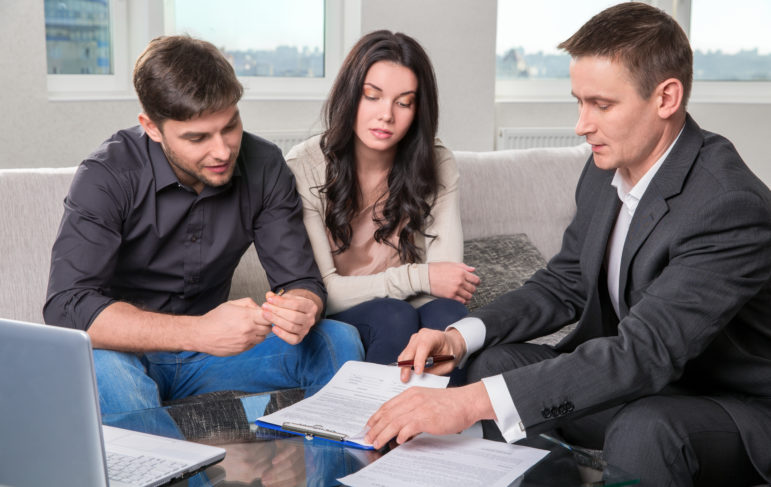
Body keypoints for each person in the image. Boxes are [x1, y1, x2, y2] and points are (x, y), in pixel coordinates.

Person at [364, 4, 771, 486]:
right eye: (579, 102)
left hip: (731, 407)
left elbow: (644, 353)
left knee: (647, 430)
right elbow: (565, 283)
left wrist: (462, 404)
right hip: (650, 386)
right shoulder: (606, 170)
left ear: (666, 97)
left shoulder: (728, 206)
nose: (581, 125)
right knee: (491, 362)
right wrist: (459, 335)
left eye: (601, 104)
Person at [43, 35, 363, 415]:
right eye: (197, 137)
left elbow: (301, 281)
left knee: (336, 340)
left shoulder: (264, 164)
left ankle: (336, 473)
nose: (222, 151)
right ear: (152, 127)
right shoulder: (108, 174)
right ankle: (191, 477)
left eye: (230, 126)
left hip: (214, 358)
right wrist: (197, 332)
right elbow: (66, 306)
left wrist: (301, 307)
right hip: (124, 354)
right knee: (108, 374)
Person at [285, 30, 480, 365]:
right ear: (350, 96)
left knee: (450, 317)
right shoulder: (305, 165)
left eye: (403, 102)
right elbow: (323, 293)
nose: (386, 115)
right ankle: (378, 417)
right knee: (392, 316)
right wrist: (419, 276)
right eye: (372, 96)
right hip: (341, 314)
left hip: (406, 305)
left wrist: (432, 281)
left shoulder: (438, 162)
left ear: (419, 110)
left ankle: (449, 417)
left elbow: (447, 281)